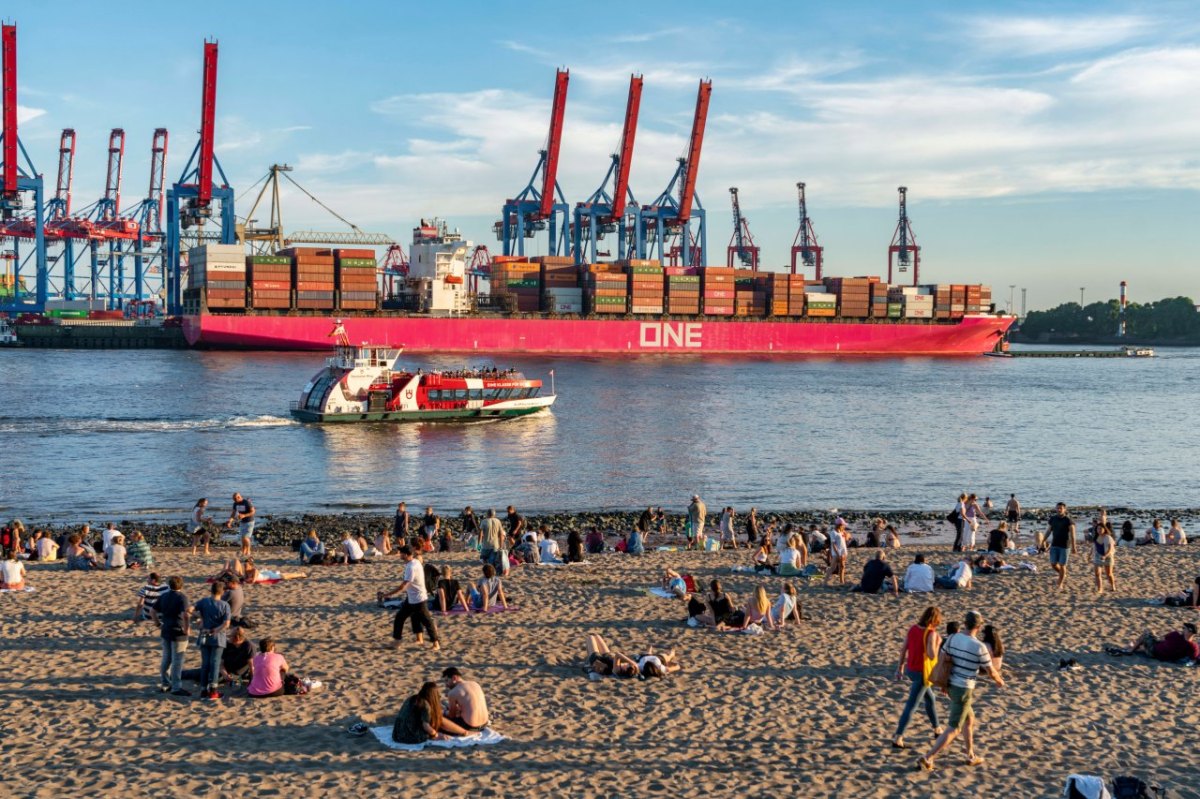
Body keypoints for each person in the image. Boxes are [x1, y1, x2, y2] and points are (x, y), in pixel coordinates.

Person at [919, 611, 1004, 770]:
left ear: (965, 623)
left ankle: (970, 755)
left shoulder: (952, 638)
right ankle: (928, 757)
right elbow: (991, 671)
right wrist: (1000, 681)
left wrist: (944, 684)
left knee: (969, 719)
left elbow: (943, 661)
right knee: (954, 727)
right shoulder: (979, 647)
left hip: (951, 685)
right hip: (963, 688)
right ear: (978, 627)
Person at [892, 605, 943, 749]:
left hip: (911, 670)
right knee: (911, 705)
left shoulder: (913, 629)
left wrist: (900, 667)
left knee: (930, 698)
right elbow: (932, 654)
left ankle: (937, 729)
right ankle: (898, 737)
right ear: (935, 620)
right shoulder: (931, 633)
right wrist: (938, 643)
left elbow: (904, 649)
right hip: (923, 673)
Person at [379, 546, 441, 650]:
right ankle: (404, 641)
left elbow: (403, 586)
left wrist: (387, 595)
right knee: (404, 617)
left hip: (419, 599)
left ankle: (436, 644)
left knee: (427, 621)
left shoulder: (411, 567)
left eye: (401, 553)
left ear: (407, 555)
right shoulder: (415, 562)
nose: (400, 554)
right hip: (412, 598)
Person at [152, 576, 192, 697]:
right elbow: (185, 615)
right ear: (181, 585)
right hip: (178, 631)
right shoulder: (182, 598)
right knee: (177, 661)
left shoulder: (164, 596)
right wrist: (187, 628)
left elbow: (152, 611)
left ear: (169, 585)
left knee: (166, 658)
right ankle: (176, 687)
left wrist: (158, 623)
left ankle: (165, 683)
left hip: (166, 630)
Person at [192, 581, 232, 700]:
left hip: (204, 635)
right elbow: (227, 623)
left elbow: (189, 609)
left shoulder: (204, 601)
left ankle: (204, 690)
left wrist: (200, 617)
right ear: (222, 592)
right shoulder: (225, 605)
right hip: (218, 638)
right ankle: (213, 690)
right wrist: (216, 629)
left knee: (205, 663)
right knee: (215, 663)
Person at [392, 681, 468, 743]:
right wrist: (436, 735)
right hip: (409, 736)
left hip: (397, 733)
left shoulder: (413, 698)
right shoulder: (425, 705)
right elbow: (426, 726)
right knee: (439, 721)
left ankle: (463, 732)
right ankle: (464, 732)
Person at [1118, 622, 1200, 662]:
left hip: (1155, 651)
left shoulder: (1176, 635)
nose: (1182, 629)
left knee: (1147, 633)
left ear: (1189, 632)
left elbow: (1161, 639)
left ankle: (1130, 650)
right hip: (1162, 655)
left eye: (1184, 628)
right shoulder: (1193, 646)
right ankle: (1134, 647)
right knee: (1142, 646)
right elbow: (1194, 658)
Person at [443, 667, 490, 731]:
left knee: (442, 717)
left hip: (470, 726)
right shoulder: (475, 683)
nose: (446, 685)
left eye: (447, 681)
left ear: (454, 678)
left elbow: (452, 715)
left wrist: (445, 712)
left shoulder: (453, 692)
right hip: (485, 723)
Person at [1044, 502, 1077, 591]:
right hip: (1054, 544)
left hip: (1065, 546)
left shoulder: (1068, 520)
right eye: (1057, 508)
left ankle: (1060, 584)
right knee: (1053, 564)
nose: (1059, 510)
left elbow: (1073, 535)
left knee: (1062, 565)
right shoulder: (1053, 519)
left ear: (1064, 509)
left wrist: (1074, 547)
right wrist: (1043, 540)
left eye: (1061, 508)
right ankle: (1062, 574)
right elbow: (1048, 531)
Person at [226, 493, 255, 558]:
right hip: (242, 522)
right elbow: (233, 514)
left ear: (240, 497)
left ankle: (249, 551)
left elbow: (253, 511)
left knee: (246, 537)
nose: (235, 500)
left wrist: (244, 515)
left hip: (250, 522)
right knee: (242, 538)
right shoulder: (235, 504)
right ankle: (244, 551)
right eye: (234, 499)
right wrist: (229, 522)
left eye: (236, 498)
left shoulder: (246, 502)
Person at [479, 509, 506, 575]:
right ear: (494, 514)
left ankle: (487, 561)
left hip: (486, 545)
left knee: (482, 558)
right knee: (492, 559)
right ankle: (491, 563)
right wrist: (501, 545)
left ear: (487, 514)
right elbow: (501, 534)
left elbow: (480, 534)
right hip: (495, 545)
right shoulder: (498, 521)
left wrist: (479, 544)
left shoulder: (484, 521)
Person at [1093, 522, 1117, 594]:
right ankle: (1100, 589)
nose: (1099, 530)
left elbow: (1110, 549)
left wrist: (1105, 556)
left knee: (1109, 574)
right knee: (1097, 573)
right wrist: (1089, 554)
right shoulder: (1096, 537)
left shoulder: (1108, 537)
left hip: (1108, 557)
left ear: (1104, 529)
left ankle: (1113, 585)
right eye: (1098, 528)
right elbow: (1094, 546)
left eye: (1101, 528)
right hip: (1098, 556)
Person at [825, 521, 848, 586]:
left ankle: (842, 581)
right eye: (843, 525)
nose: (844, 526)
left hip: (843, 552)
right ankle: (825, 582)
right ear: (840, 525)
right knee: (832, 567)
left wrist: (846, 535)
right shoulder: (833, 532)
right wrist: (838, 553)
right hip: (837, 553)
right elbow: (833, 544)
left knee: (842, 567)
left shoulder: (842, 532)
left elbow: (844, 541)